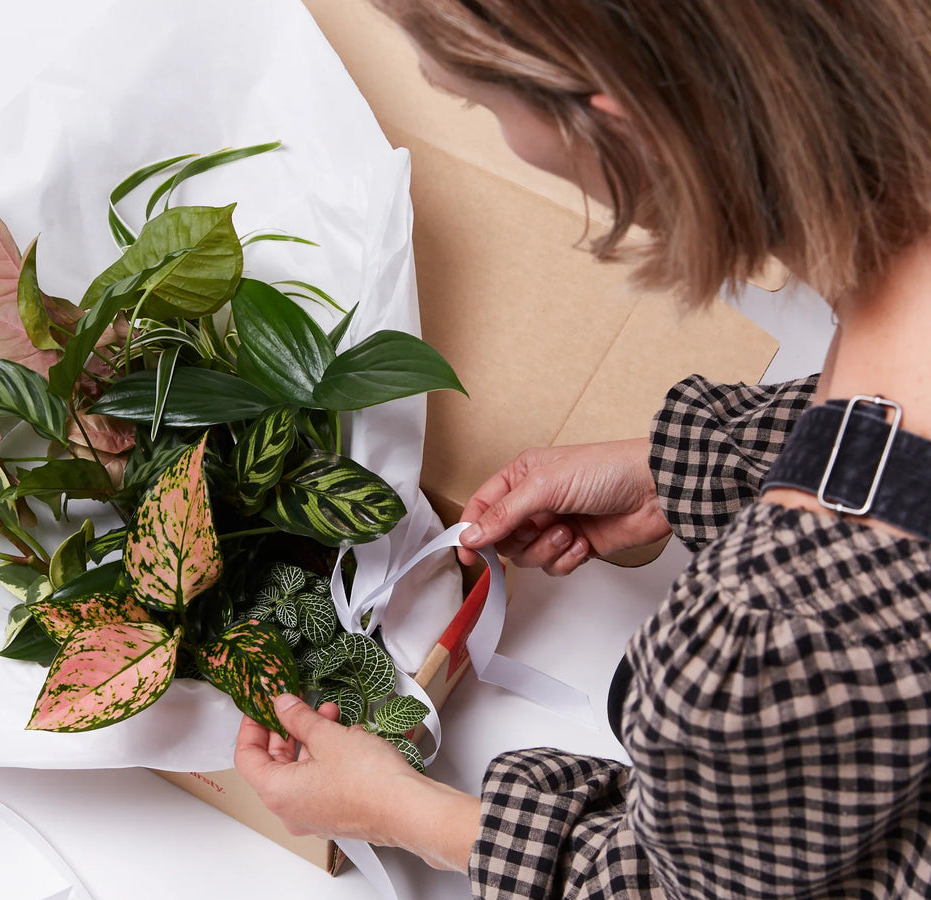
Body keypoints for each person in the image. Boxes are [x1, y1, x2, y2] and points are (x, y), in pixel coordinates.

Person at [235, 1, 931, 896]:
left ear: (619, 121)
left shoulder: (767, 640)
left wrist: (403, 812)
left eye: (482, 105)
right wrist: (679, 469)